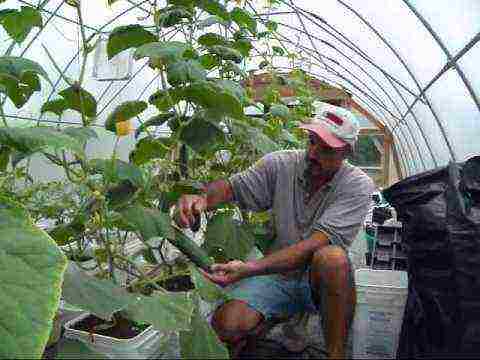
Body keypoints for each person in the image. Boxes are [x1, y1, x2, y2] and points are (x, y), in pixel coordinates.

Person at [177, 102, 376, 358]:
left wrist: (248, 269)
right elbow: (231, 188)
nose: (314, 153)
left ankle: (335, 353)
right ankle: (270, 320)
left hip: (319, 282)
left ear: (347, 152)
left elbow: (315, 246)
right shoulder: (281, 164)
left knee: (333, 259)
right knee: (226, 326)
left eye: (327, 150)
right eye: (312, 142)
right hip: (277, 275)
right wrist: (203, 198)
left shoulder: (357, 185)